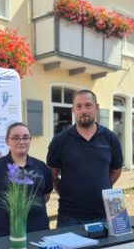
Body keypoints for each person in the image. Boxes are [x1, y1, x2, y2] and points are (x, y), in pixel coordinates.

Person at [47, 90, 123, 227]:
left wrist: (102, 186)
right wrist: (64, 191)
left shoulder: (110, 138)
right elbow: (52, 174)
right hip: (69, 216)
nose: (83, 110)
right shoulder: (60, 140)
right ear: (73, 110)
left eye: (88, 105)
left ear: (97, 107)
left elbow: (116, 171)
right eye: (79, 106)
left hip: (104, 214)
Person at [0, 122, 53, 238]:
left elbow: (45, 196)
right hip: (4, 236)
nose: (21, 141)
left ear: (30, 140)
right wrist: (0, 216)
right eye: (15, 138)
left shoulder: (41, 167)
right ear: (7, 141)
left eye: (25, 137)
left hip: (39, 233)